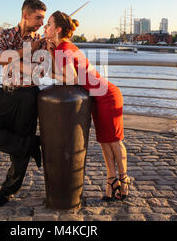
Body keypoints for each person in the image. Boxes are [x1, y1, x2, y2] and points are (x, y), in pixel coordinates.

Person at [44, 11, 129, 201]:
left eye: (48, 24)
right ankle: (111, 182)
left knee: (114, 141)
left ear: (57, 29)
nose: (44, 28)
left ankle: (124, 181)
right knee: (105, 142)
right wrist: (51, 52)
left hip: (107, 95)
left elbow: (72, 79)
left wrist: (49, 75)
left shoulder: (63, 47)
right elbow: (67, 73)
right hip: (98, 97)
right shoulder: (63, 47)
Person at [0, 0, 48, 207]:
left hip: (28, 97)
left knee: (18, 158)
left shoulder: (41, 41)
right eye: (38, 18)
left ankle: (7, 191)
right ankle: (32, 144)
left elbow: (39, 71)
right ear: (26, 14)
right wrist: (27, 50)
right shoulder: (5, 34)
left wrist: (43, 48)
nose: (41, 23)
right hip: (5, 94)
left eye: (43, 18)